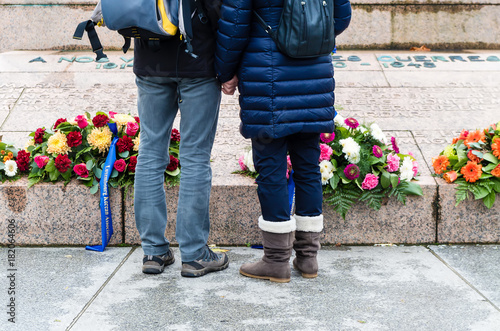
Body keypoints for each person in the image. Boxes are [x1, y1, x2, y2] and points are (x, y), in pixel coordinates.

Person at [216, 0, 352, 282]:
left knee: (272, 170)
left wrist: (225, 71)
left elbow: (235, 24)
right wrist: (305, 38)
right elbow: (340, 17)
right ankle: (308, 259)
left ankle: (276, 260)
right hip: (314, 73)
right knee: (308, 167)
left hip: (266, 74)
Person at [133, 0, 229, 277]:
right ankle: (195, 253)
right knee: (195, 157)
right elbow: (220, 13)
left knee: (150, 153)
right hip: (198, 62)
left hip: (150, 60)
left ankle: (153, 251)